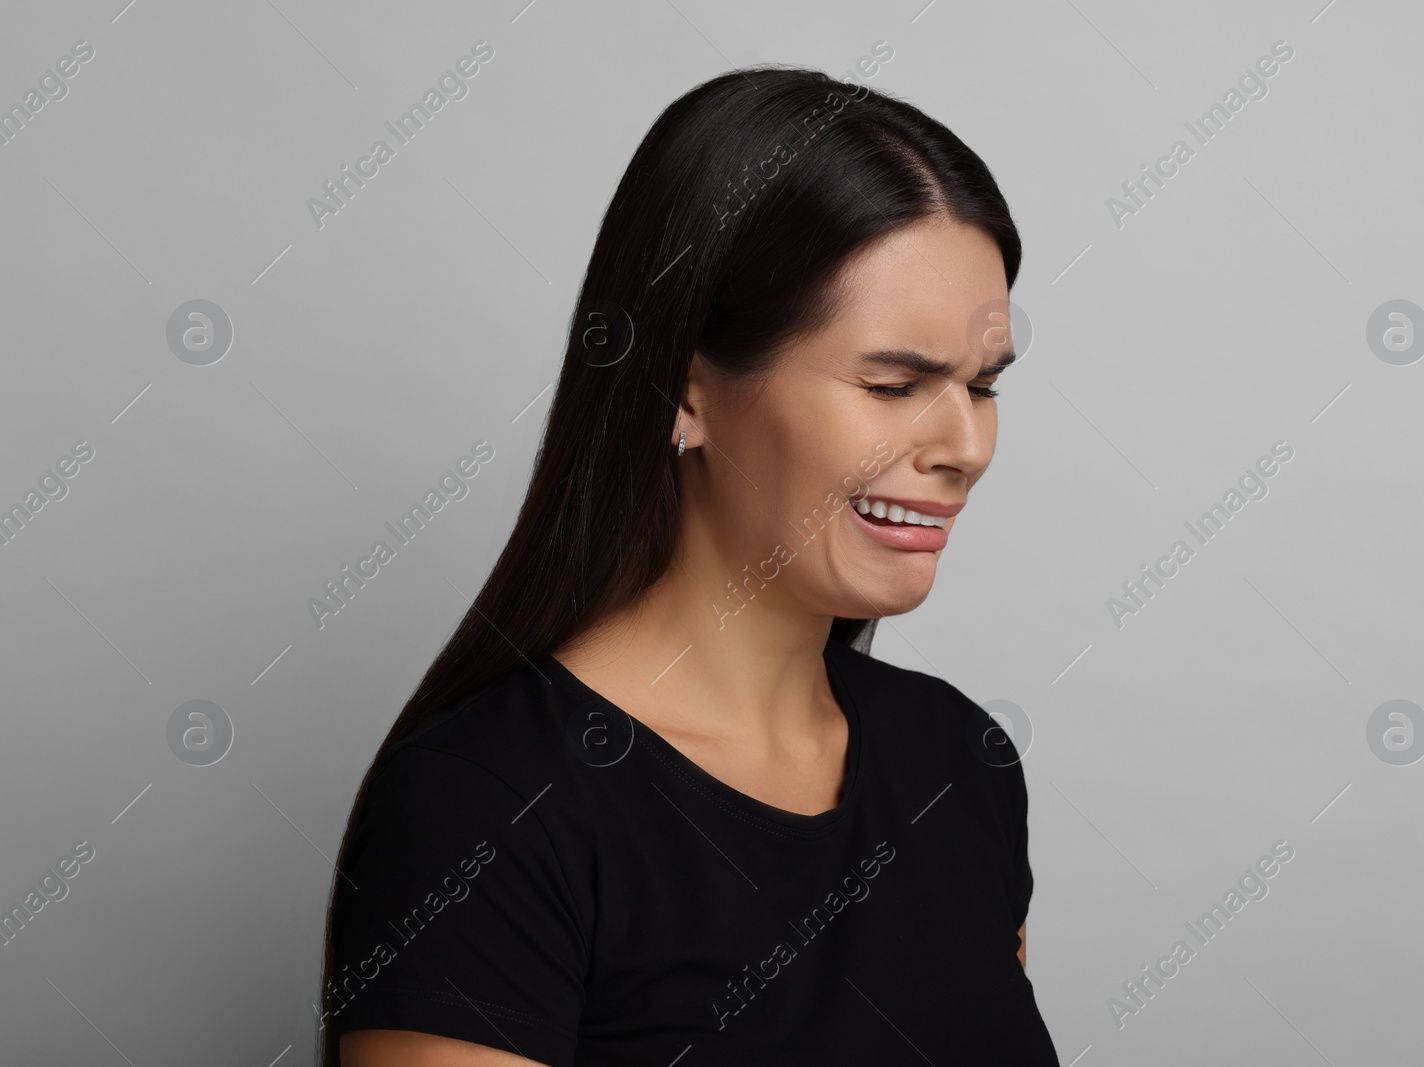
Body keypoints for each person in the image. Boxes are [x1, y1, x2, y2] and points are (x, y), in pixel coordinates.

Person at [320, 64, 1057, 1066]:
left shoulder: (957, 761)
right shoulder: (485, 804)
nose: (964, 442)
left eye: (983, 385)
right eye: (894, 384)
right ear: (682, 390)